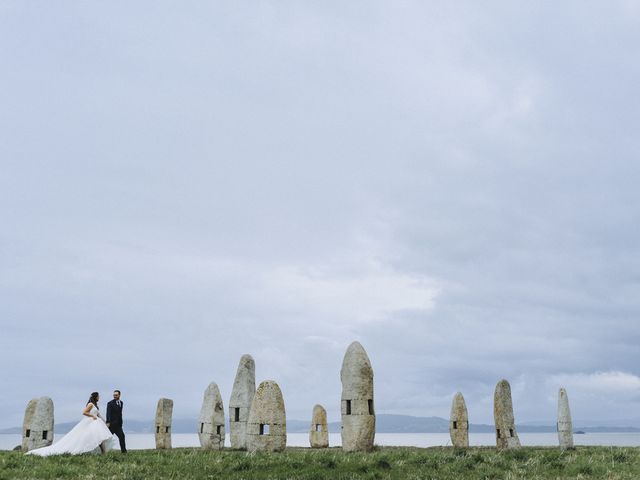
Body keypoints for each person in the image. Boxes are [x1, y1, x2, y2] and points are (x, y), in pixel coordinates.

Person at [26, 392, 114, 456]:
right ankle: (100, 452)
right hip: (90, 423)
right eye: (98, 396)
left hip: (96, 423)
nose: (99, 397)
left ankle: (103, 453)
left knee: (99, 438)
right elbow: (84, 412)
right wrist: (92, 416)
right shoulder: (90, 404)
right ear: (95, 397)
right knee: (93, 437)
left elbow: (99, 415)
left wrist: (105, 422)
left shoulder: (95, 405)